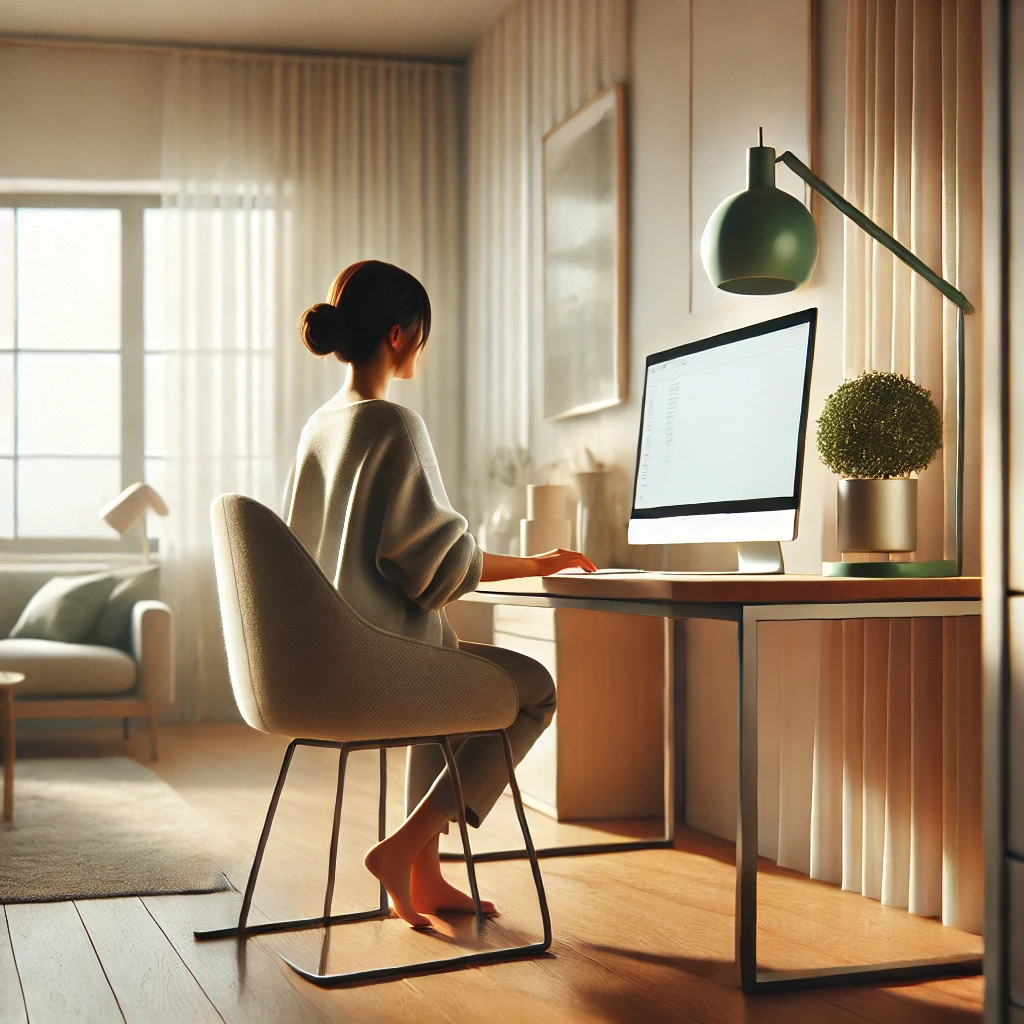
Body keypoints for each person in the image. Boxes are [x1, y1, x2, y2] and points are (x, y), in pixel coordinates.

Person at [286, 260, 596, 929]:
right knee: (534, 689)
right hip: (376, 672)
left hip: (313, 670)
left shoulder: (319, 428)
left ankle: (425, 873)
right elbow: (444, 566)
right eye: (421, 336)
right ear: (400, 335)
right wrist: (543, 561)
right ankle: (401, 850)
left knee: (440, 655)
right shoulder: (392, 426)